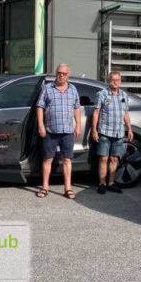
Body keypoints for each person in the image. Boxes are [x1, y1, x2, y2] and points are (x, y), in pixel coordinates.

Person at [35, 63, 81, 199]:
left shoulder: (73, 90)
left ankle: (68, 188)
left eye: (64, 74)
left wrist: (78, 125)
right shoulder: (47, 88)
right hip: (50, 130)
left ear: (68, 75)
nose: (61, 75)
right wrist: (41, 125)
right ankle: (45, 187)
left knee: (67, 160)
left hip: (67, 130)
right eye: (59, 73)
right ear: (56, 73)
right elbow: (39, 107)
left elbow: (77, 108)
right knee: (47, 159)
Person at [91, 71, 133, 194]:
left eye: (117, 80)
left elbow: (125, 113)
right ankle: (102, 183)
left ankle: (111, 183)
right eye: (112, 80)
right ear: (108, 80)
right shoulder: (102, 94)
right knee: (103, 158)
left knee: (114, 159)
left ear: (120, 81)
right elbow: (96, 112)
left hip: (119, 133)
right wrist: (94, 130)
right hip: (104, 131)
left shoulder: (124, 95)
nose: (115, 82)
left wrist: (129, 128)